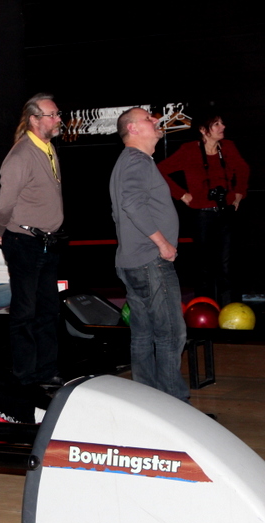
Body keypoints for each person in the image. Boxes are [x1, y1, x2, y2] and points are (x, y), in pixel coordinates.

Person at [110, 107, 190, 402]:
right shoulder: (137, 160)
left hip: (134, 261)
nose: (156, 121)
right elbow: (131, 204)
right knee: (170, 333)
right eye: (148, 119)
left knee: (143, 334)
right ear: (132, 129)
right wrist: (162, 243)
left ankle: (147, 401)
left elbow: (120, 210)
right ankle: (174, 404)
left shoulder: (128, 161)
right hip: (150, 262)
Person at [0, 93, 64, 387]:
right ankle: (25, 376)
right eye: (52, 115)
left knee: (48, 310)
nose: (58, 119)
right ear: (34, 120)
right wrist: (1, 230)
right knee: (25, 312)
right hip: (24, 241)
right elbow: (1, 206)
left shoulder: (48, 148)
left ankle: (46, 371)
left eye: (58, 114)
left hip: (47, 241)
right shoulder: (21, 155)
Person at [157, 112, 250, 306]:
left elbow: (243, 169)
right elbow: (159, 170)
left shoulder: (228, 147)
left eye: (222, 123)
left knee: (227, 266)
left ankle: (229, 313)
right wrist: (181, 194)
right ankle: (206, 311)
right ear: (202, 130)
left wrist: (239, 192)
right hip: (202, 216)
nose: (222, 127)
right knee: (204, 268)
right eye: (216, 124)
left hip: (227, 213)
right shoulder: (189, 150)